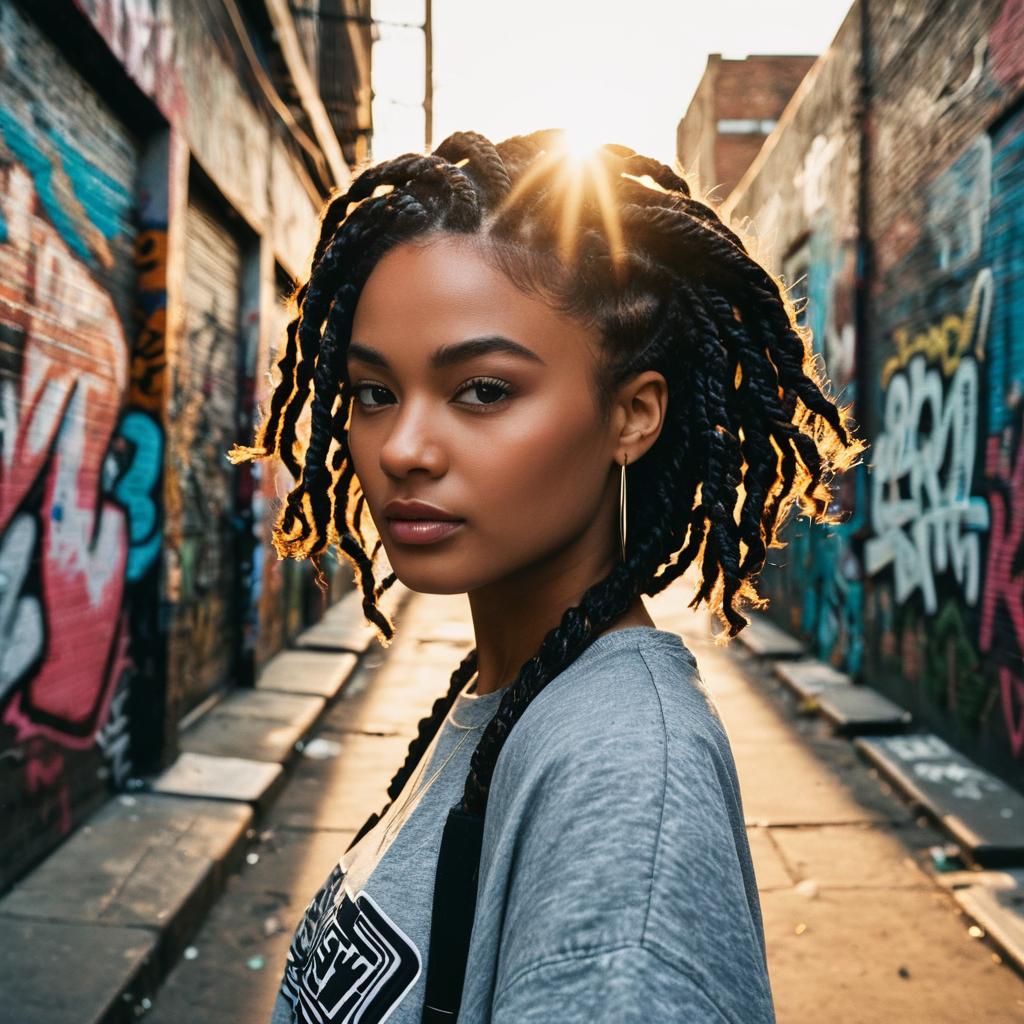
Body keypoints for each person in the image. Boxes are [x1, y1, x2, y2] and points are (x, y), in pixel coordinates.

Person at [229, 127, 860, 1024]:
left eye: (482, 390)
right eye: (374, 392)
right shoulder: (512, 691)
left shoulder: (628, 781)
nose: (402, 449)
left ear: (632, 415)